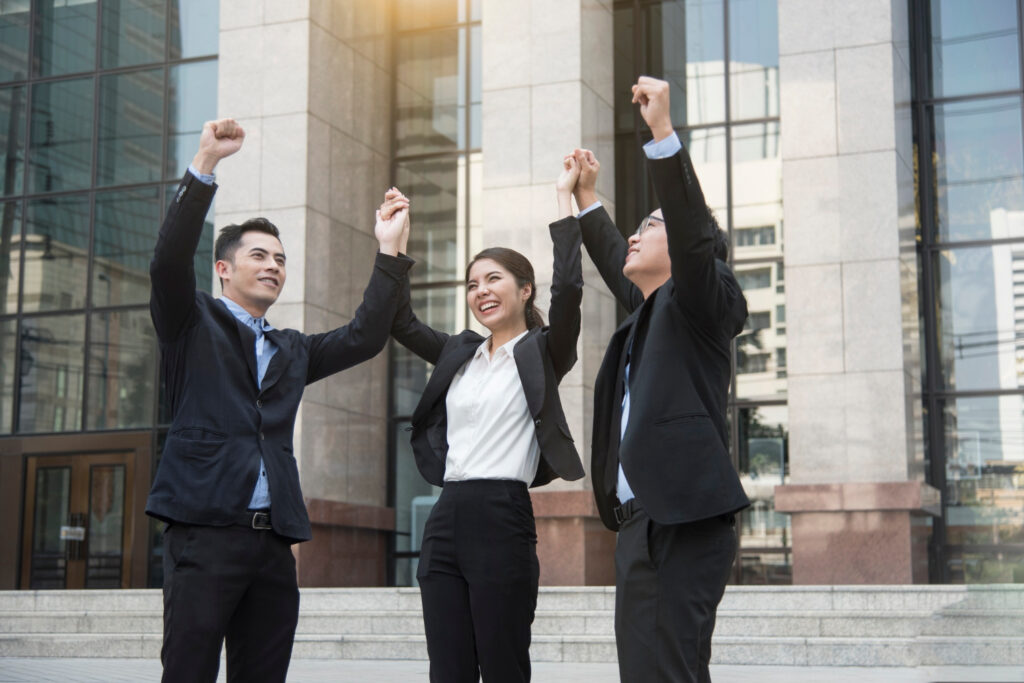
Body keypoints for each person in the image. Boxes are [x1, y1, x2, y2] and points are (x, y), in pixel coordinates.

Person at [147, 118, 412, 683]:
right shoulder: (190, 324)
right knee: (188, 670)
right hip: (204, 529)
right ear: (223, 269)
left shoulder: (292, 349)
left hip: (273, 542)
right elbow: (168, 262)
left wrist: (389, 250)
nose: (273, 266)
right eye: (260, 256)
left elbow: (365, 336)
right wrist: (206, 165)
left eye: (281, 260)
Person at [381, 155, 587, 683]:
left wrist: (566, 201)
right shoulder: (460, 352)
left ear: (524, 290)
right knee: (447, 668)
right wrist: (392, 247)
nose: (481, 291)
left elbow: (569, 292)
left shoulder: (544, 351)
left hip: (502, 515)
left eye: (494, 279)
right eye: (472, 284)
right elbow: (400, 321)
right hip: (446, 515)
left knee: (502, 663)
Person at [572, 77, 750, 682]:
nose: (635, 234)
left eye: (649, 225)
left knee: (668, 673)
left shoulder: (703, 298)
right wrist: (588, 201)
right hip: (639, 522)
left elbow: (694, 235)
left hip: (684, 517)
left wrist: (663, 134)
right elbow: (615, 263)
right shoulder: (651, 312)